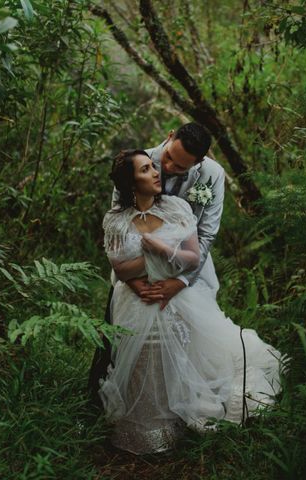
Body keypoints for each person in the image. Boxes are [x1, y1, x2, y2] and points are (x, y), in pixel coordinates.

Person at [98, 149, 283, 455]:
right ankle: (148, 427)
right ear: (131, 184)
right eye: (146, 170)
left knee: (182, 343)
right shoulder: (117, 220)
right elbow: (119, 267)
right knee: (141, 349)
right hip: (134, 295)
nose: (156, 172)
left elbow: (191, 258)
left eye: (152, 166)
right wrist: (156, 263)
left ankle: (179, 418)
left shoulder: (177, 208)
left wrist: (157, 252)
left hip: (176, 293)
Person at [87, 123, 225, 404]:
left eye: (181, 166)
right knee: (118, 336)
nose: (169, 167)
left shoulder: (212, 175)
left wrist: (180, 282)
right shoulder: (137, 161)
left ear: (200, 161)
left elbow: (207, 233)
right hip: (134, 265)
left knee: (190, 337)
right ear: (170, 135)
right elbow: (117, 220)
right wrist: (135, 283)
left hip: (187, 265)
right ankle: (103, 395)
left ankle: (181, 398)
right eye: (169, 158)